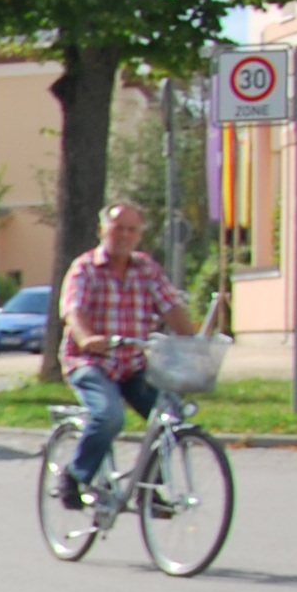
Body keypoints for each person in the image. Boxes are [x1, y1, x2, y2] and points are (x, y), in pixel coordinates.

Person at [58, 200, 185, 502]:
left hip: (133, 363)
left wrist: (195, 340)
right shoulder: (85, 268)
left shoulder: (146, 268)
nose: (125, 235)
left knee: (171, 417)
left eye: (132, 229)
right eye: (118, 229)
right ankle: (75, 475)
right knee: (109, 416)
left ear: (139, 234)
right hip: (91, 361)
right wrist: (87, 338)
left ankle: (148, 487)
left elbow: (171, 306)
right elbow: (73, 310)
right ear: (102, 230)